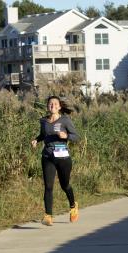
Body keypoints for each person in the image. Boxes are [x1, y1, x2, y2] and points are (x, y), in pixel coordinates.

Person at [31, 96, 80, 225]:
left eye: (55, 103)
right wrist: (36, 140)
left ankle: (73, 206)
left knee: (65, 185)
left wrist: (67, 136)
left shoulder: (65, 120)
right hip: (48, 156)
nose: (52, 105)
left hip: (63, 157)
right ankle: (48, 216)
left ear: (59, 107)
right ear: (47, 106)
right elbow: (43, 135)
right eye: (50, 103)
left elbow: (76, 136)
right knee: (48, 186)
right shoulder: (43, 121)